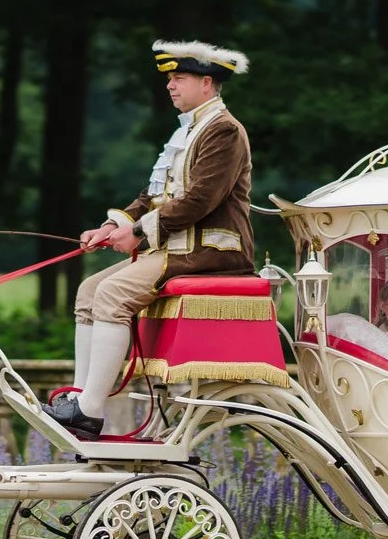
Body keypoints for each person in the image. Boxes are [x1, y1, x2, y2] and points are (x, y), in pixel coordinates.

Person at [44, 40, 255, 438]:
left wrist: (137, 233)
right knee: (89, 291)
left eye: (179, 78)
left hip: (211, 250)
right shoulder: (191, 130)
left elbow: (199, 201)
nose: (170, 86)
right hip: (179, 247)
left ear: (206, 83)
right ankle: (77, 398)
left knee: (111, 295)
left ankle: (89, 410)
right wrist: (114, 225)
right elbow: (153, 196)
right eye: (170, 79)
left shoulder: (224, 130)